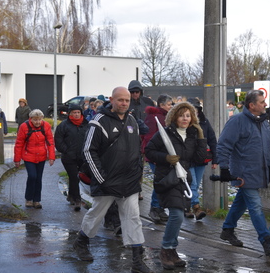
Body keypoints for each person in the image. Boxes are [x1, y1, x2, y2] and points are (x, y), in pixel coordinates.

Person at [73, 87, 152, 273]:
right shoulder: (99, 121)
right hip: (106, 181)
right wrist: (101, 178)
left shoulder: (133, 121)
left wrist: (137, 175)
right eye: (120, 100)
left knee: (133, 218)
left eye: (126, 100)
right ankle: (81, 241)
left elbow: (136, 151)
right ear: (112, 100)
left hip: (130, 183)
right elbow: (88, 151)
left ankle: (137, 261)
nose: (124, 103)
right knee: (97, 214)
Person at [217, 90, 270, 256]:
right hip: (243, 174)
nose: (265, 104)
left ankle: (227, 229)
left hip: (260, 173)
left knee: (241, 202)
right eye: (262, 102)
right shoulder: (237, 121)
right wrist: (224, 168)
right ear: (251, 105)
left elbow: (269, 149)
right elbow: (224, 145)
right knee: (255, 206)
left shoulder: (264, 123)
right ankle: (266, 240)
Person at [145, 101, 207, 270]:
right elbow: (149, 151)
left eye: (188, 115)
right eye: (181, 115)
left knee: (178, 216)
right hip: (168, 178)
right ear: (174, 117)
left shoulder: (193, 135)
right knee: (177, 215)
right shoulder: (165, 133)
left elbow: (199, 158)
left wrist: (201, 136)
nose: (185, 118)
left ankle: (171, 250)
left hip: (183, 179)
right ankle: (166, 249)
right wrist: (165, 158)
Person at [14, 109, 55, 209]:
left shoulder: (46, 126)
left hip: (41, 156)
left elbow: (50, 142)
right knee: (32, 176)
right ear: (31, 119)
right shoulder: (24, 127)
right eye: (35, 120)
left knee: (38, 178)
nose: (37, 122)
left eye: (39, 119)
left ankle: (36, 200)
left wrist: (52, 157)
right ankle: (28, 198)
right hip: (29, 155)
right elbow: (19, 143)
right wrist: (17, 159)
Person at [142, 94, 173, 224]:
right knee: (160, 182)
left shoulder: (166, 117)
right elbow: (149, 138)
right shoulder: (154, 117)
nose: (171, 107)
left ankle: (159, 207)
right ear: (161, 105)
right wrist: (152, 155)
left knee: (164, 182)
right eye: (169, 104)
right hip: (156, 156)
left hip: (163, 156)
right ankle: (155, 207)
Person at [186, 97, 218, 220]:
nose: (195, 111)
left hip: (200, 160)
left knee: (194, 184)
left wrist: (215, 158)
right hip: (188, 159)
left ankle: (186, 206)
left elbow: (212, 140)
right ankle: (197, 208)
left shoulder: (204, 122)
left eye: (196, 108)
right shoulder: (183, 121)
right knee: (193, 184)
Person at [54, 104, 88, 211]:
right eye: (74, 112)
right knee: (74, 176)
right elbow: (58, 140)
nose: (77, 115)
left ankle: (71, 195)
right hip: (69, 157)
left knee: (77, 178)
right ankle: (77, 200)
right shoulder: (64, 125)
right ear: (70, 114)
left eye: (78, 112)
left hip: (83, 156)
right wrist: (67, 151)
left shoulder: (87, 124)